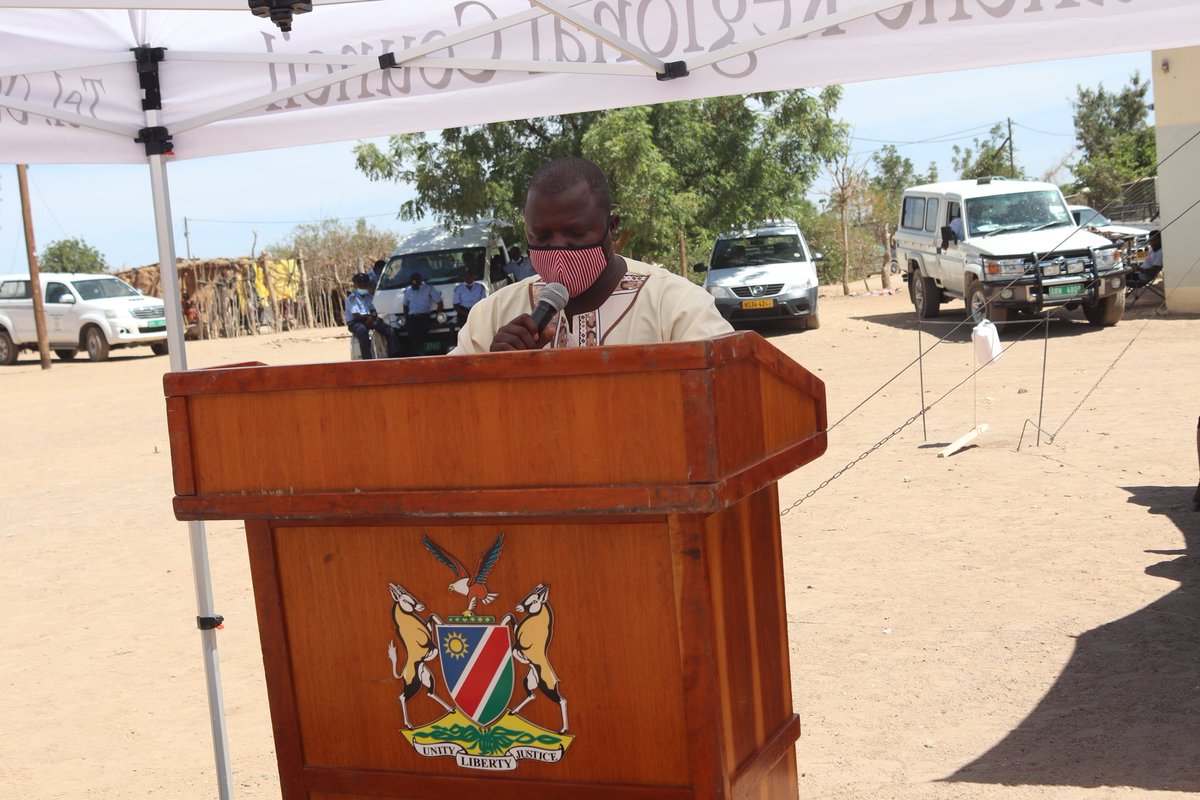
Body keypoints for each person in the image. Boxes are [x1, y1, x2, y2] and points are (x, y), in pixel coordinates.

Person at [452, 156, 733, 354]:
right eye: (542, 236)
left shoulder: (676, 305)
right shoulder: (492, 315)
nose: (559, 249)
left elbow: (728, 387)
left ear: (611, 227)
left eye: (575, 233)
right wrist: (487, 369)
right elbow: (446, 406)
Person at [344, 272, 398, 359]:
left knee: (389, 330)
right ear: (355, 285)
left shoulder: (369, 296)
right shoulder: (352, 298)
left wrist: (372, 317)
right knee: (363, 333)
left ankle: (394, 355)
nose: (362, 285)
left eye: (364, 283)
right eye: (360, 283)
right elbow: (356, 315)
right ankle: (367, 360)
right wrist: (369, 318)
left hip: (369, 319)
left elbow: (374, 310)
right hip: (356, 322)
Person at [403, 272, 443, 356]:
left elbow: (439, 302)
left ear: (420, 281)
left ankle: (419, 353)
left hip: (423, 317)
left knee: (420, 334)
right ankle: (417, 353)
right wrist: (406, 318)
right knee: (411, 334)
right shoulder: (408, 290)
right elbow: (405, 305)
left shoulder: (429, 288)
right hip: (412, 318)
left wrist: (437, 318)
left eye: (416, 284)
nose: (414, 286)